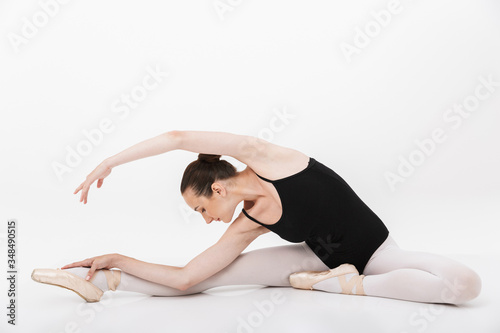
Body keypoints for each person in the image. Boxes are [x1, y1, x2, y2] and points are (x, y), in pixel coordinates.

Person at [31, 130, 481, 304]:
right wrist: (119, 259)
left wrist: (109, 162)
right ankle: (103, 283)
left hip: (377, 254)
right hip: (309, 258)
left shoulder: (269, 158)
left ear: (219, 187)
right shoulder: (247, 222)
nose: (206, 220)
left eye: (202, 208)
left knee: (465, 285)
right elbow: (188, 277)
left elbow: (177, 136)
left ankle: (344, 284)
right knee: (209, 280)